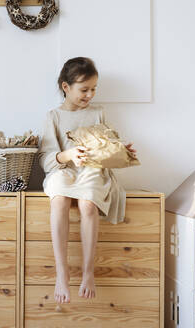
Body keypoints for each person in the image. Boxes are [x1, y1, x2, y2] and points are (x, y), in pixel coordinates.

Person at [38, 57, 136, 303]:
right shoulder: (53, 116)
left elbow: (109, 146)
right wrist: (68, 154)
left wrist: (123, 153)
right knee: (59, 199)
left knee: (88, 204)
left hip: (93, 171)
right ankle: (62, 272)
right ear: (65, 87)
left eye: (94, 89)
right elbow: (46, 159)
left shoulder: (98, 113)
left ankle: (88, 271)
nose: (90, 94)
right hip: (64, 171)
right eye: (84, 89)